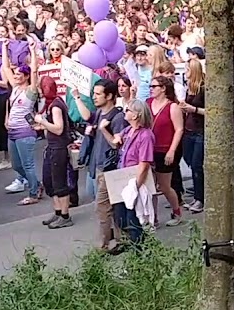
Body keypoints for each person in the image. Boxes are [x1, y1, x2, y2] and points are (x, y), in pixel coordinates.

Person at [79, 78, 122, 251]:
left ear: (110, 96)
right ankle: (119, 238)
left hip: (109, 167)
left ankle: (104, 244)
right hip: (98, 164)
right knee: (110, 205)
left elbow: (117, 144)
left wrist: (104, 130)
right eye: (94, 94)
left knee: (102, 206)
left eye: (98, 94)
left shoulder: (117, 117)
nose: (94, 97)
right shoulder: (98, 114)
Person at [112, 99, 155, 248]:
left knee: (133, 220)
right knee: (120, 217)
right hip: (123, 179)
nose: (125, 111)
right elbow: (117, 136)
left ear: (136, 115)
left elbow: (144, 164)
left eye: (128, 110)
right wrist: (117, 137)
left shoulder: (145, 136)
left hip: (134, 182)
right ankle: (135, 248)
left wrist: (135, 187)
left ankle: (140, 252)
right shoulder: (128, 130)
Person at [3, 43, 41, 204]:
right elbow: (5, 68)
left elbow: (34, 70)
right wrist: (4, 48)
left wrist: (32, 50)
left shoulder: (30, 91)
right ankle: (36, 185)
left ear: (26, 76)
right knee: (16, 165)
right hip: (12, 131)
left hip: (25, 132)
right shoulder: (15, 88)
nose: (16, 76)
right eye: (16, 74)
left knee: (27, 165)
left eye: (19, 74)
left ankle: (33, 193)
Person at [35, 76, 74, 228]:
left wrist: (43, 122)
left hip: (58, 147)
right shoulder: (52, 103)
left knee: (59, 181)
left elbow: (58, 129)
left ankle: (65, 215)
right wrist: (43, 127)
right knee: (49, 179)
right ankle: (58, 211)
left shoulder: (55, 106)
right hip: (52, 146)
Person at [148, 76, 185, 225]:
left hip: (165, 149)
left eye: (154, 86)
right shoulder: (148, 103)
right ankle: (153, 217)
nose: (151, 88)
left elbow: (179, 129)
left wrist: (172, 150)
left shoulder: (172, 107)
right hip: (150, 149)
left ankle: (176, 211)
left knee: (164, 186)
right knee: (150, 186)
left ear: (163, 88)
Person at [180, 58, 206, 214]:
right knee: (189, 159)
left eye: (187, 69)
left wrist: (193, 109)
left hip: (200, 131)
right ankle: (199, 190)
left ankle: (200, 198)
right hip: (188, 130)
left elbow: (210, 111)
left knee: (197, 164)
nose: (185, 72)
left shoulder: (203, 89)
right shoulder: (189, 87)